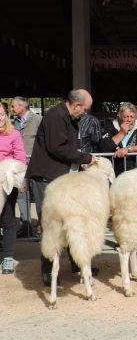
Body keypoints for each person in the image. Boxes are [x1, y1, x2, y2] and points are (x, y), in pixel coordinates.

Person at [26, 89, 96, 286]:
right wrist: (85, 158)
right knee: (50, 225)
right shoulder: (56, 116)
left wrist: (78, 160)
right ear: (76, 106)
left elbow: (66, 148)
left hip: (60, 178)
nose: (85, 113)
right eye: (85, 109)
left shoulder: (68, 118)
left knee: (72, 221)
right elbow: (57, 147)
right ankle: (48, 271)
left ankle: (77, 263)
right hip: (46, 178)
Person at [0, 102, 27, 274]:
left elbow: (21, 158)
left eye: (2, 114)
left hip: (7, 183)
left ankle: (8, 257)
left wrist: (10, 170)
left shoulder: (14, 134)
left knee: (8, 219)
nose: (0, 118)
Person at [10, 96, 41, 237]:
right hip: (20, 166)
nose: (11, 109)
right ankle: (26, 227)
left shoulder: (38, 120)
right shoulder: (13, 123)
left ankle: (43, 227)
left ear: (22, 107)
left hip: (36, 164)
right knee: (22, 195)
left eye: (13, 106)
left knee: (40, 195)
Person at [99, 102, 137, 175]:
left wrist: (128, 149)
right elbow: (104, 147)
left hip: (134, 171)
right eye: (126, 117)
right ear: (119, 117)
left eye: (132, 117)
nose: (129, 120)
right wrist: (121, 133)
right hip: (114, 171)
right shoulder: (111, 126)